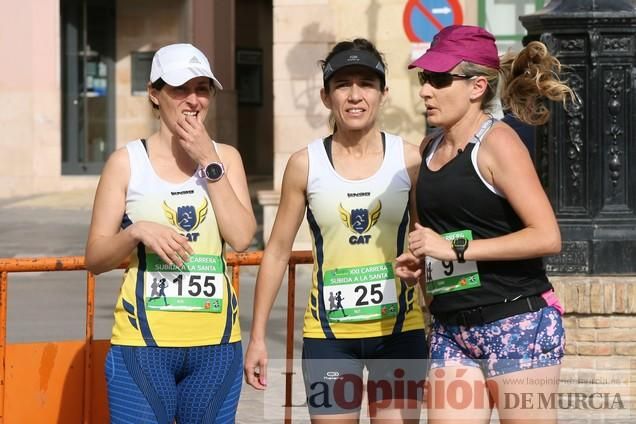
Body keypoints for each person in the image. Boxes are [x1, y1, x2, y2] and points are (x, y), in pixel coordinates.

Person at [396, 25, 574, 423]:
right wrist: (419, 259)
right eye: (425, 78)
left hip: (516, 321)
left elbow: (547, 236)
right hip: (450, 326)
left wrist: (455, 250)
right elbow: (439, 235)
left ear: (477, 86)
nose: (426, 90)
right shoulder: (428, 149)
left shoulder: (499, 143)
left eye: (440, 80)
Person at [244, 38, 427, 423]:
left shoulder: (410, 160)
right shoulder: (304, 164)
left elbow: (429, 244)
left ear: (384, 94)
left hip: (399, 333)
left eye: (366, 83)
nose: (355, 95)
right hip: (329, 339)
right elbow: (276, 252)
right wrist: (258, 337)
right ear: (326, 96)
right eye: (343, 84)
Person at [85, 43, 256, 424]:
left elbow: (242, 236)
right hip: (143, 348)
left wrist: (207, 160)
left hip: (214, 347)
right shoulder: (126, 163)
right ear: (154, 94)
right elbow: (94, 258)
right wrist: (136, 233)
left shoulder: (226, 159)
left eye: (202, 88)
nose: (193, 100)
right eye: (180, 89)